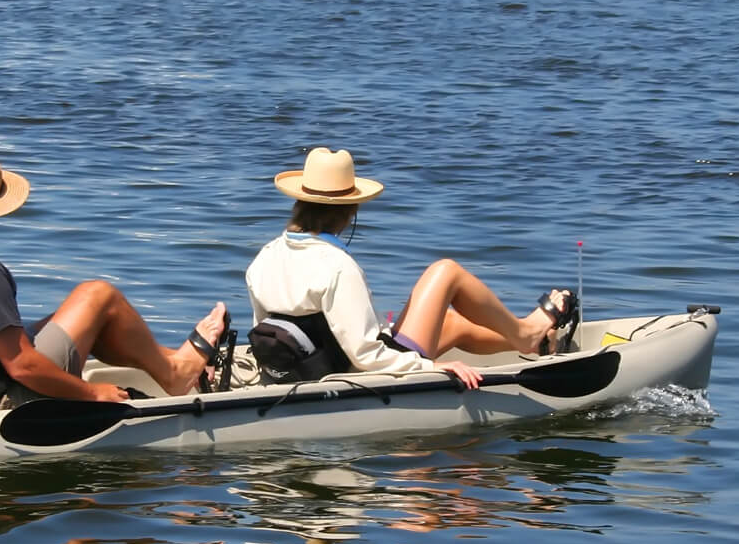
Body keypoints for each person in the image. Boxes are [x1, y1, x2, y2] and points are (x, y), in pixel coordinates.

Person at [0, 142, 228, 411]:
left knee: (82, 316)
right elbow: (22, 367)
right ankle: (175, 373)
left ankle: (172, 361)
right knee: (98, 296)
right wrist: (93, 393)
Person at [244, 147, 577, 390]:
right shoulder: (337, 265)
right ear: (349, 211)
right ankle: (526, 333)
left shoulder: (264, 257)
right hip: (354, 374)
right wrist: (431, 367)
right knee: (446, 272)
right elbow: (365, 355)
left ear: (299, 203)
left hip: (303, 368)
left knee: (451, 323)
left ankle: (534, 345)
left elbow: (267, 327)